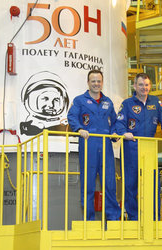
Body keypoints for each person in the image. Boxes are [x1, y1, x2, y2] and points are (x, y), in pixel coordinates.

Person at [116, 73, 162, 220]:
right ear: (135, 86)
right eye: (141, 85)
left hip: (149, 149)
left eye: (147, 85)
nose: (144, 88)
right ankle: (133, 218)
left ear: (150, 86)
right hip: (130, 149)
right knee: (130, 185)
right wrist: (123, 132)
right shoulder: (127, 104)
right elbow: (119, 122)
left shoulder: (155, 102)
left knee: (153, 184)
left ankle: (154, 217)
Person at [67, 69, 120, 221]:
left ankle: (113, 219)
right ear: (88, 83)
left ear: (102, 83)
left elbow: (115, 122)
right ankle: (89, 220)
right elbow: (71, 116)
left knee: (109, 183)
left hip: (105, 147)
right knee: (88, 183)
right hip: (88, 144)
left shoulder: (108, 102)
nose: (96, 84)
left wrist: (115, 133)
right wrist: (79, 128)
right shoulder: (79, 100)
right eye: (93, 81)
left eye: (99, 81)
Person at [20, 71, 70, 135]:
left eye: (56, 100)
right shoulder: (27, 128)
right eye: (45, 99)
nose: (51, 105)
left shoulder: (66, 126)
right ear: (31, 99)